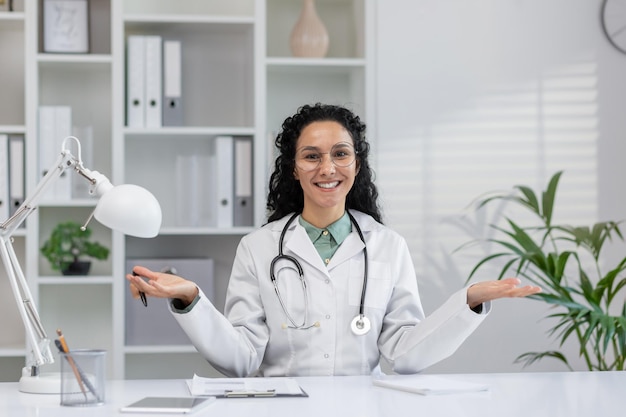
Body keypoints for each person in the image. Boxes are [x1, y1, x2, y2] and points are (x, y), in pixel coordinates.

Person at [127, 103, 541, 377]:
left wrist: (468, 302)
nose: (328, 167)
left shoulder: (387, 246)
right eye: (312, 156)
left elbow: (404, 354)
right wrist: (191, 299)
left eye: (340, 154)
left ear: (356, 164)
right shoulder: (258, 248)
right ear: (294, 168)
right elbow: (241, 359)